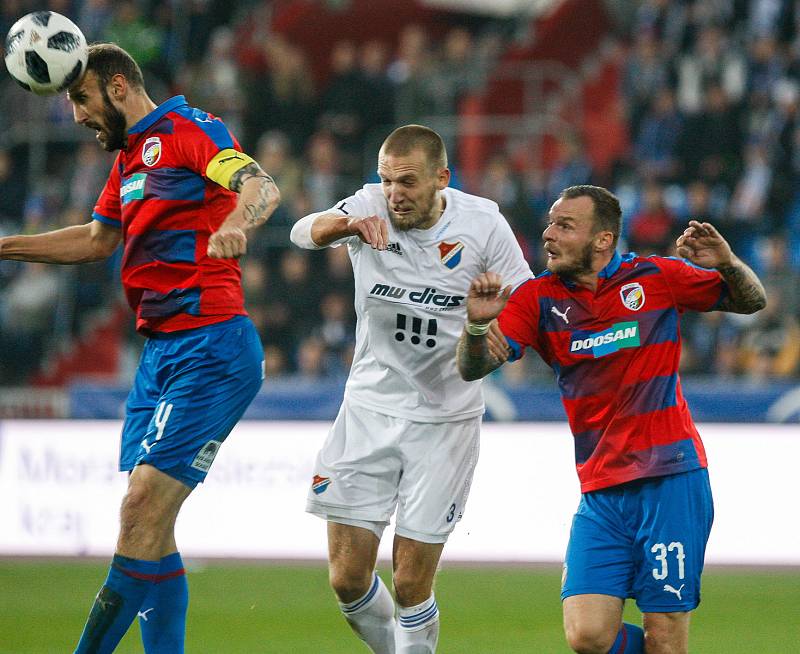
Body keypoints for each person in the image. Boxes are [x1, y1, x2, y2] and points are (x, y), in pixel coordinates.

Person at [0, 44, 280, 653]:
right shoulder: (128, 159)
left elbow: (260, 183)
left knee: (140, 508)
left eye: (81, 98)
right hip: (160, 356)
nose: (75, 115)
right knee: (153, 528)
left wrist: (237, 222)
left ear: (120, 85)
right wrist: (6, 246)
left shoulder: (187, 129)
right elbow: (97, 239)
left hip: (211, 343)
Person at [457, 185, 766, 654]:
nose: (548, 235)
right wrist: (478, 327)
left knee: (664, 638)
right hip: (601, 490)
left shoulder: (654, 276)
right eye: (549, 224)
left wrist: (726, 262)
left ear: (603, 240)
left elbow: (751, 300)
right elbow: (472, 367)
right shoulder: (538, 298)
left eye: (565, 226)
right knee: (587, 635)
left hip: (670, 479)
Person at [289, 124, 532, 653]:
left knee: (410, 582)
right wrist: (347, 224)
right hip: (368, 409)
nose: (395, 193)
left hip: (444, 421)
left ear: (441, 178)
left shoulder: (482, 223)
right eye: (387, 180)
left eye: (408, 182)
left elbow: (527, 295)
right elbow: (302, 232)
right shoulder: (370, 203)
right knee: (347, 578)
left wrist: (495, 333)